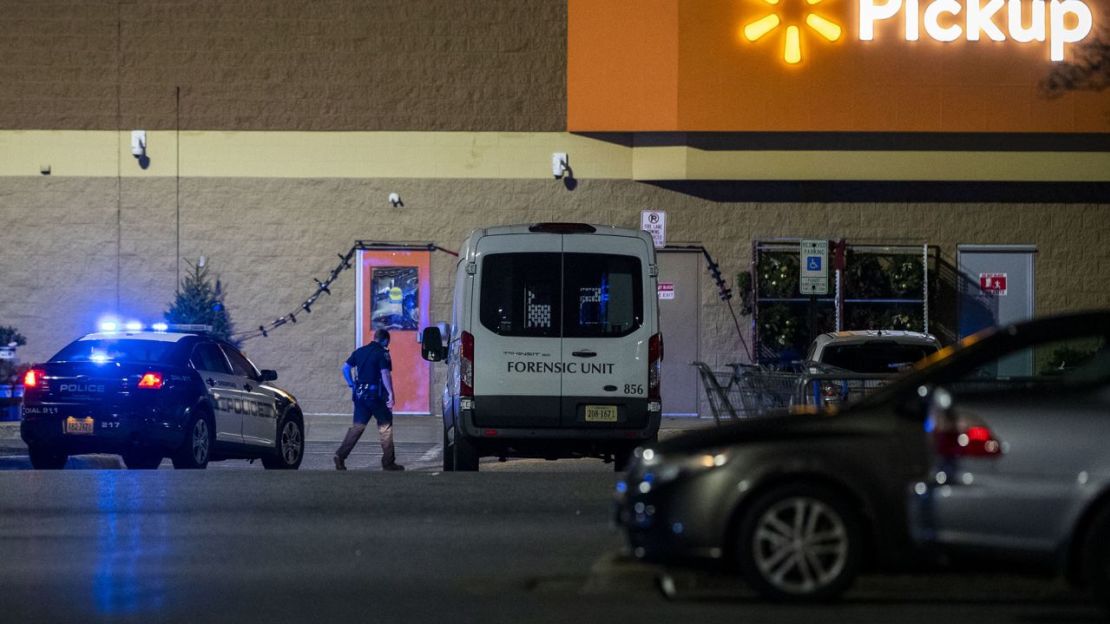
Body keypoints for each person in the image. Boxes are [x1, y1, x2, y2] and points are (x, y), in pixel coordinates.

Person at [334, 328, 404, 471]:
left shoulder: (359, 351)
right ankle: (388, 462)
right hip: (376, 397)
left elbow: (345, 368)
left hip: (360, 396)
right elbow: (385, 374)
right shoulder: (382, 353)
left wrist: (351, 383)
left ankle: (340, 456)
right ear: (385, 340)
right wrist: (391, 393)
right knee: (385, 426)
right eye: (387, 342)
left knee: (357, 427)